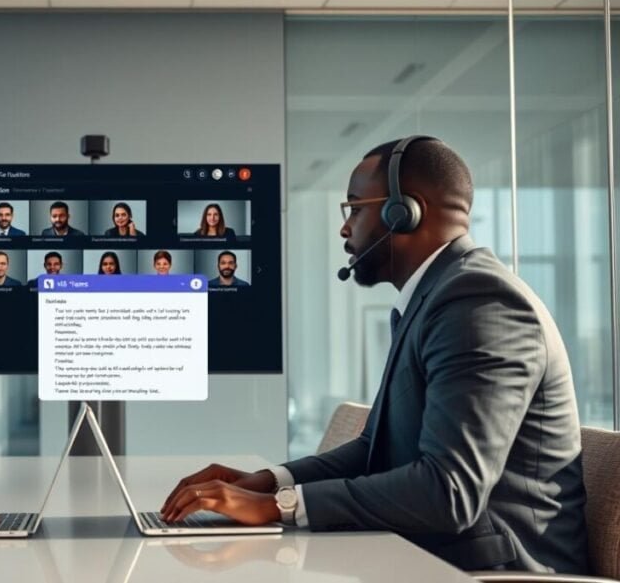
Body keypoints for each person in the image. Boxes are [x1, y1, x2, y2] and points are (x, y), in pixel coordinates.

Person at [160, 137, 589, 575]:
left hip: (493, 572)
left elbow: (449, 491)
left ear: (403, 212)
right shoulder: (435, 298)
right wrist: (269, 483)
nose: (345, 229)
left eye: (354, 208)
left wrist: (279, 506)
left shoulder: (479, 303)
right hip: (433, 555)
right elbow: (374, 449)